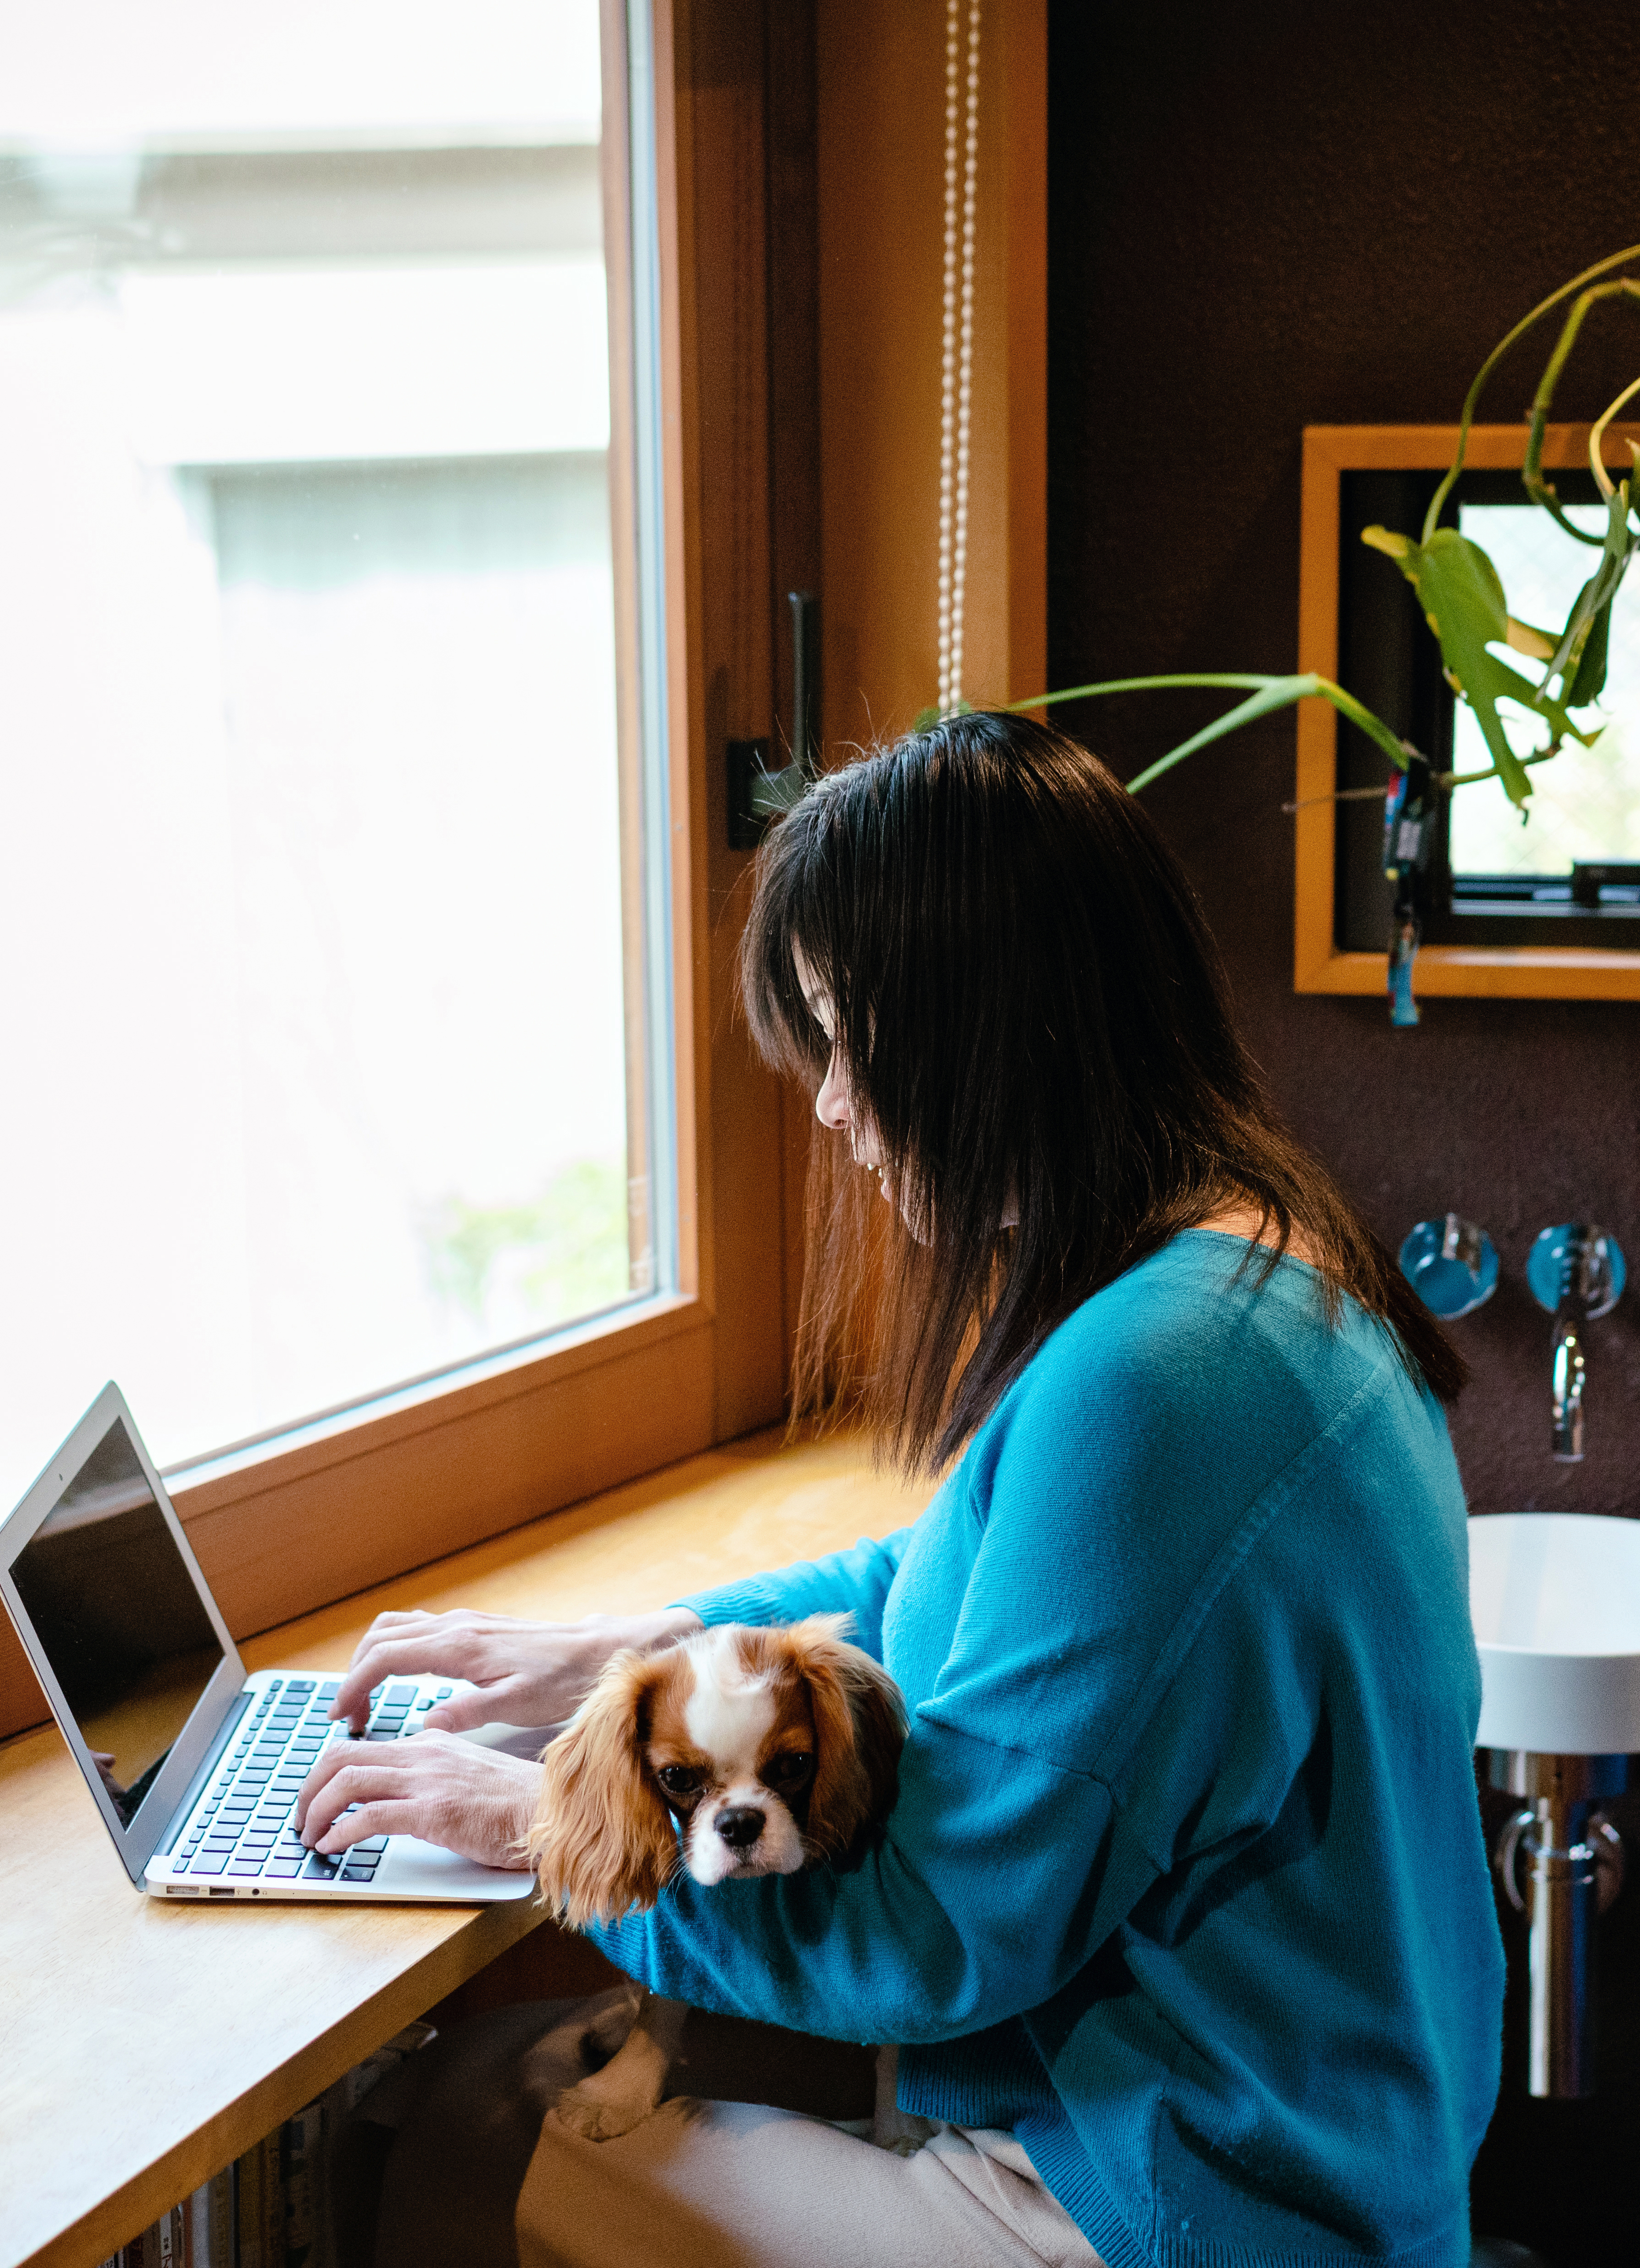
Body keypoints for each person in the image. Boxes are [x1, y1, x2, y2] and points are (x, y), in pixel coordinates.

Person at [298, 710, 1502, 2267]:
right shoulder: (1260, 1273)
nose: (828, 1106)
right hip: (1327, 2151)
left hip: (1179, 2205)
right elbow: (938, 1575)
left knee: (467, 2122)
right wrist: (632, 1658)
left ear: (983, 1037)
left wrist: (544, 1827)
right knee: (652, 2052)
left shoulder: (1153, 1385)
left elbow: (940, 1936)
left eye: (841, 1037)